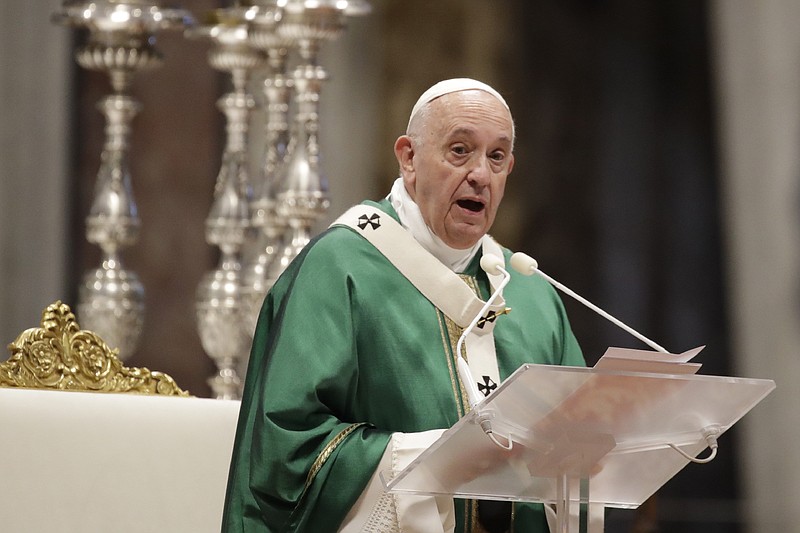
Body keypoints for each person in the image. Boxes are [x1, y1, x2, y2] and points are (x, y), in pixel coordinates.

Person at [222, 78, 585, 532]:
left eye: (496, 157)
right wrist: (431, 462)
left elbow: (585, 447)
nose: (480, 175)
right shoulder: (340, 269)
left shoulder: (532, 293)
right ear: (409, 158)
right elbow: (284, 456)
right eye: (459, 150)